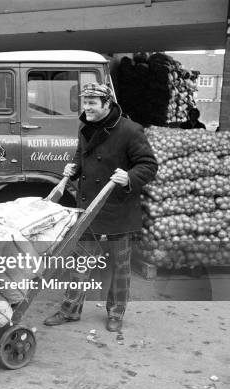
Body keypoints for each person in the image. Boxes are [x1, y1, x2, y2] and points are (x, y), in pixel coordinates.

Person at [43, 83, 158, 332]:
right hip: (88, 210)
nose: (87, 107)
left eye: (93, 103)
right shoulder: (86, 127)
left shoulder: (130, 130)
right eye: (85, 102)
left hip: (117, 210)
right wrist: (72, 170)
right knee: (80, 264)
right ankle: (69, 310)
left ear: (107, 104)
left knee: (120, 267)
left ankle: (116, 313)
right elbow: (81, 156)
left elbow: (149, 165)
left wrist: (129, 177)